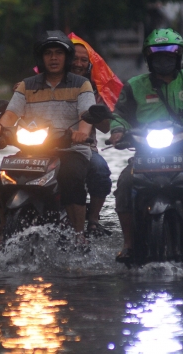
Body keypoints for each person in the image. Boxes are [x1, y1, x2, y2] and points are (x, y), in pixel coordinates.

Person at [108, 28, 183, 262]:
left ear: (178, 58)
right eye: (158, 57)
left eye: (168, 57)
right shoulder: (134, 85)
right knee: (125, 184)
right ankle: (128, 244)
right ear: (149, 60)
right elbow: (119, 113)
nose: (163, 62)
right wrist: (117, 131)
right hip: (146, 153)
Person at [0, 30, 96, 236]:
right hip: (33, 151)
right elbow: (11, 113)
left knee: (71, 177)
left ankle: (79, 235)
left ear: (67, 57)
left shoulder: (81, 84)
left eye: (58, 53)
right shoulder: (27, 85)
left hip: (70, 149)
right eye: (48, 53)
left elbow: (86, 114)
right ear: (41, 57)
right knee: (3, 179)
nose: (53, 58)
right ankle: (1, 231)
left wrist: (81, 132)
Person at [69, 33, 123, 237]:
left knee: (100, 171)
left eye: (84, 60)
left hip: (84, 148)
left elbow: (105, 127)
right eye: (75, 58)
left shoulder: (93, 89)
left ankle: (92, 220)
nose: (79, 64)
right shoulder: (40, 85)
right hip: (44, 146)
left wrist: (94, 112)